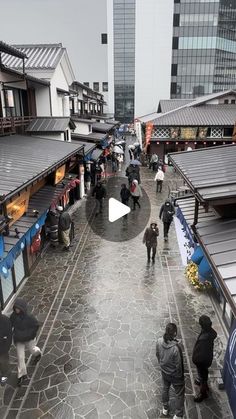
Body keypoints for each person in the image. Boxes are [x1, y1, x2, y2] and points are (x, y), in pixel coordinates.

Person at [156, 323, 185, 419]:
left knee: (165, 388)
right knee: (179, 394)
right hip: (175, 375)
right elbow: (179, 366)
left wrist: (162, 365)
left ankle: (165, 408)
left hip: (164, 372)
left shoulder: (159, 341)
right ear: (175, 333)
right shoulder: (176, 348)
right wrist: (181, 377)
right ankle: (178, 414)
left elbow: (157, 355)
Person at [10, 299, 41, 387]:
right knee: (20, 357)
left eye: (18, 308)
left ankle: (38, 354)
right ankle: (22, 375)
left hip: (29, 339)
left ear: (22, 308)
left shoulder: (29, 317)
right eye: (15, 308)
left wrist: (30, 335)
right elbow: (9, 325)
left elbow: (36, 326)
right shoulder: (13, 316)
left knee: (33, 350)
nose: (16, 310)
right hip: (19, 340)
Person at [192, 315, 217, 403]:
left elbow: (201, 354)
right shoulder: (210, 332)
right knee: (203, 376)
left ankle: (203, 394)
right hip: (207, 359)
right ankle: (204, 384)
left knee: (203, 376)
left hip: (202, 362)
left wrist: (196, 360)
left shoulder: (204, 339)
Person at [0, 310, 12, 385]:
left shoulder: (5, 320)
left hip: (2, 348)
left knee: (4, 363)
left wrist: (6, 348)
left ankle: (5, 375)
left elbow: (9, 336)